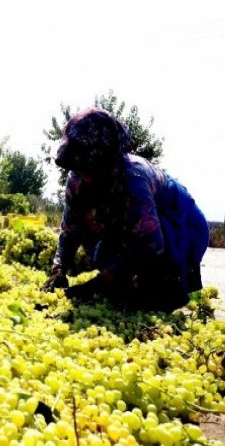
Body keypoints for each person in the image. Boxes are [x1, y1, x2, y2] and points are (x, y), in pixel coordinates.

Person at [42, 108, 209, 312]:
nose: (84, 176)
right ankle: (127, 287)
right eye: (79, 168)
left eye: (89, 168)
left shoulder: (133, 180)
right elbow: (70, 230)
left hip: (179, 224)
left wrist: (96, 285)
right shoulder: (77, 179)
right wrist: (58, 270)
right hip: (137, 225)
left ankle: (168, 291)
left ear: (105, 160)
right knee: (103, 256)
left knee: (155, 288)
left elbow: (149, 244)